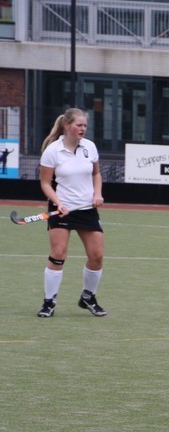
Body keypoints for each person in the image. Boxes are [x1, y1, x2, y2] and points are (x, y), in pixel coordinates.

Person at [37, 108, 105, 318]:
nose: (83, 129)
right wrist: (58, 203)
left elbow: (96, 174)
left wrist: (97, 194)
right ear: (67, 125)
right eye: (79, 125)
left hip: (86, 209)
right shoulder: (53, 151)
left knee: (97, 256)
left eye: (85, 125)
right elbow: (45, 183)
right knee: (58, 255)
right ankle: (49, 302)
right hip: (61, 209)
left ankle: (88, 297)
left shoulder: (90, 147)